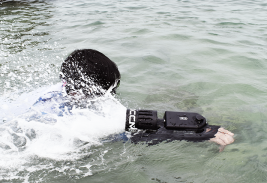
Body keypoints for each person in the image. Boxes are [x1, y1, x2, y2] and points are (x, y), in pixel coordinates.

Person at [42, 48, 233, 151]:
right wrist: (199, 135)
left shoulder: (55, 92)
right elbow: (137, 135)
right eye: (108, 92)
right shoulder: (71, 120)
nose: (110, 97)